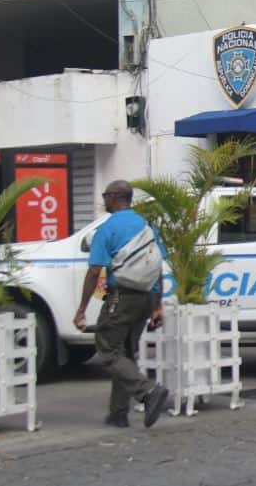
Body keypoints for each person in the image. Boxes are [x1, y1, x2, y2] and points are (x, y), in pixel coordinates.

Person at [73, 180, 170, 429]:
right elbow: (157, 266)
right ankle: (118, 413)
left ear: (115, 197)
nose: (103, 199)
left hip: (121, 297)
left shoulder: (107, 229)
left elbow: (95, 271)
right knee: (124, 353)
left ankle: (148, 392)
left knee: (108, 349)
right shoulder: (147, 226)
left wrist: (82, 309)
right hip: (146, 298)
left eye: (105, 195)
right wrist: (157, 306)